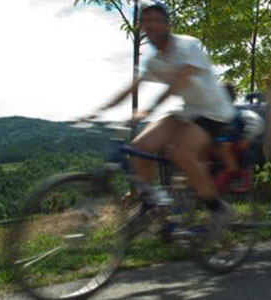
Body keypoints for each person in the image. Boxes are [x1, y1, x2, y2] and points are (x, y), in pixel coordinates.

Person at [85, 0, 235, 223]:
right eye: (146, 23)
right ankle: (153, 205)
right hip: (187, 111)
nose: (151, 26)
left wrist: (149, 109)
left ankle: (218, 208)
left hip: (214, 112)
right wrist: (99, 111)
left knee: (181, 153)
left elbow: (181, 81)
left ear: (167, 25)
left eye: (156, 21)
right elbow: (132, 87)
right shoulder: (154, 61)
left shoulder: (187, 45)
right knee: (138, 147)